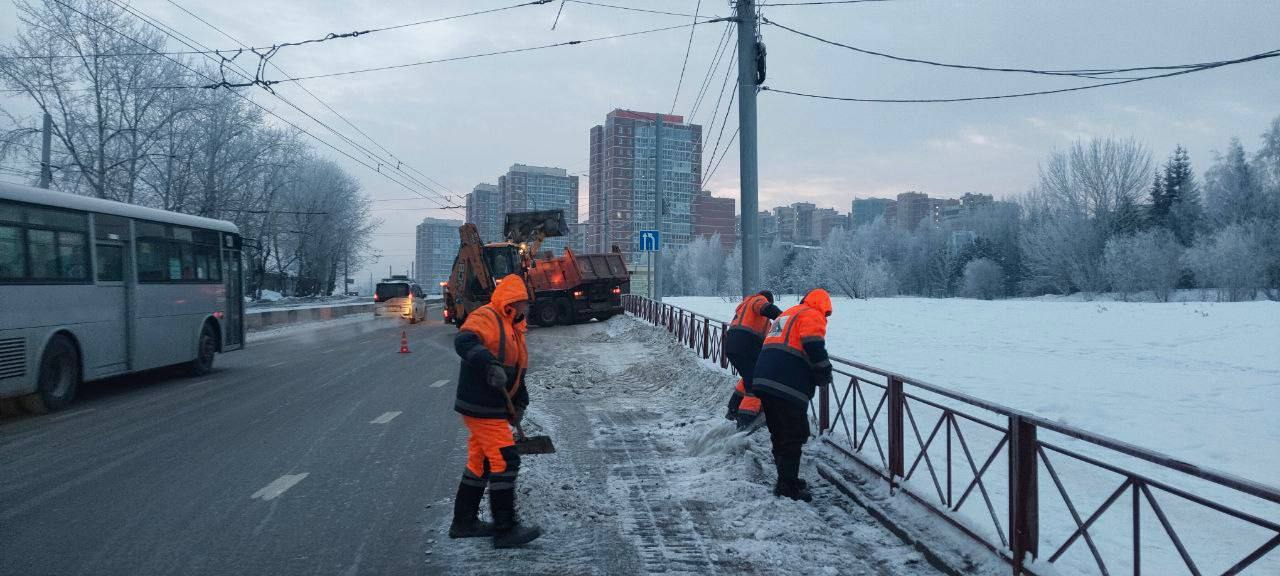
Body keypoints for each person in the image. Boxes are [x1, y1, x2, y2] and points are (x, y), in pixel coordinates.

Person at [449, 274, 542, 548]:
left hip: (494, 407)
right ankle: (505, 529)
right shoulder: (487, 316)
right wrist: (489, 365)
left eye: (526, 304)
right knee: (506, 460)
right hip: (480, 404)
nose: (526, 308)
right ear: (512, 301)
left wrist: (520, 403)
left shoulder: (515, 328)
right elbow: (464, 342)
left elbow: (517, 373)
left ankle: (463, 522)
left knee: (481, 463)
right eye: (523, 303)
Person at [752, 288, 833, 502]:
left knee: (779, 432)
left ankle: (786, 478)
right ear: (824, 307)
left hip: (763, 379)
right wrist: (824, 371)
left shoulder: (788, 313)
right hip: (786, 383)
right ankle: (787, 486)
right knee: (793, 434)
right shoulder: (813, 314)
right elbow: (813, 344)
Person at [722, 290, 781, 423]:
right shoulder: (758, 300)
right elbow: (766, 308)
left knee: (749, 376)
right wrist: (783, 317)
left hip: (733, 344)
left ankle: (733, 409)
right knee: (756, 381)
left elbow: (768, 338)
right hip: (745, 344)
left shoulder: (747, 309)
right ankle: (746, 417)